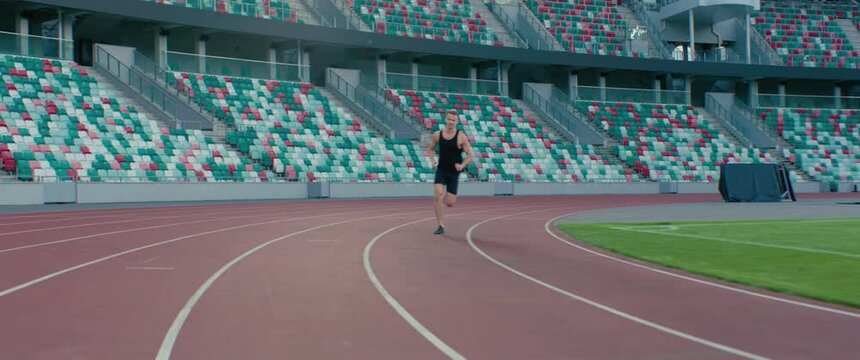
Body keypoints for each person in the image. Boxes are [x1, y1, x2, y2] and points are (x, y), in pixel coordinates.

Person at [426, 109, 473, 235]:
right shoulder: (437, 135)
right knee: (438, 195)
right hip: (441, 169)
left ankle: (440, 207)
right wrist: (432, 161)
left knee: (450, 203)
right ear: (445, 120)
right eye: (449, 119)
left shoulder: (461, 137)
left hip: (453, 173)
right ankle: (440, 225)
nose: (451, 122)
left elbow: (470, 155)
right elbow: (430, 149)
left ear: (457, 122)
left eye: (453, 120)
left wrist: (462, 165)